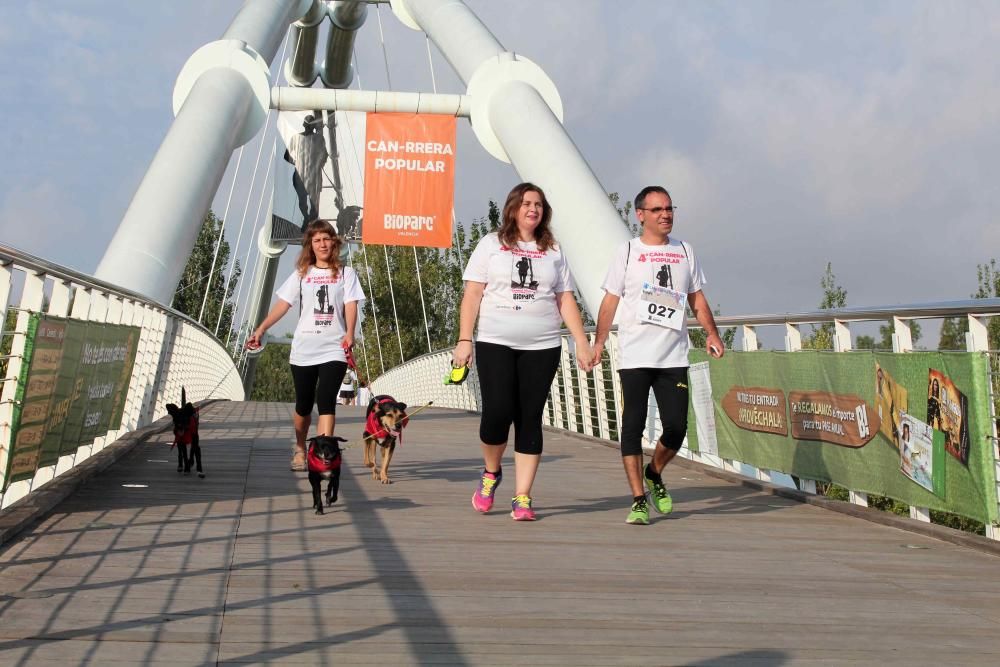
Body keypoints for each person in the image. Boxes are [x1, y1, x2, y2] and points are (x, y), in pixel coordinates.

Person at [453, 182, 593, 521]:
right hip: (495, 340)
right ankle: (491, 473)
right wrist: (464, 340)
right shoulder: (491, 244)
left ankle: (523, 497)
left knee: (530, 418)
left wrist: (581, 341)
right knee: (497, 413)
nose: (534, 209)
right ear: (513, 208)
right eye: (527, 203)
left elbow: (564, 299)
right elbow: (473, 294)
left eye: (539, 205)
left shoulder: (553, 250)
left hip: (542, 344)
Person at [592, 186, 724, 525]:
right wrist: (599, 342)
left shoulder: (684, 250)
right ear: (640, 215)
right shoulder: (627, 252)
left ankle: (655, 472)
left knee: (677, 428)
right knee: (632, 426)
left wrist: (711, 333)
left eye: (669, 208)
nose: (665, 215)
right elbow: (610, 302)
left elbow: (696, 298)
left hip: (673, 356)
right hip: (636, 355)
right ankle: (638, 499)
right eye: (657, 210)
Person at [247, 219, 365, 471]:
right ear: (310, 246)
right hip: (304, 348)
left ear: (334, 242)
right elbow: (283, 305)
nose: (322, 244)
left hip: (334, 346)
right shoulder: (302, 274)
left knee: (326, 400)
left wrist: (350, 333)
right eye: (317, 240)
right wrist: (261, 329)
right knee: (303, 404)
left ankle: (323, 455)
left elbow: (351, 304)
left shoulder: (347, 273)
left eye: (326, 239)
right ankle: (300, 448)